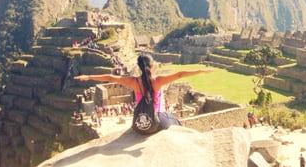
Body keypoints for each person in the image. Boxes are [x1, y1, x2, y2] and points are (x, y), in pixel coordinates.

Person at [75, 54, 213, 131]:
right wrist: (201, 70)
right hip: (157, 121)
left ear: (140, 67)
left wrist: (88, 77)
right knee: (177, 123)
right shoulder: (157, 81)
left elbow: (110, 78)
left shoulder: (133, 81)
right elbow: (180, 74)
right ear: (152, 66)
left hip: (139, 124)